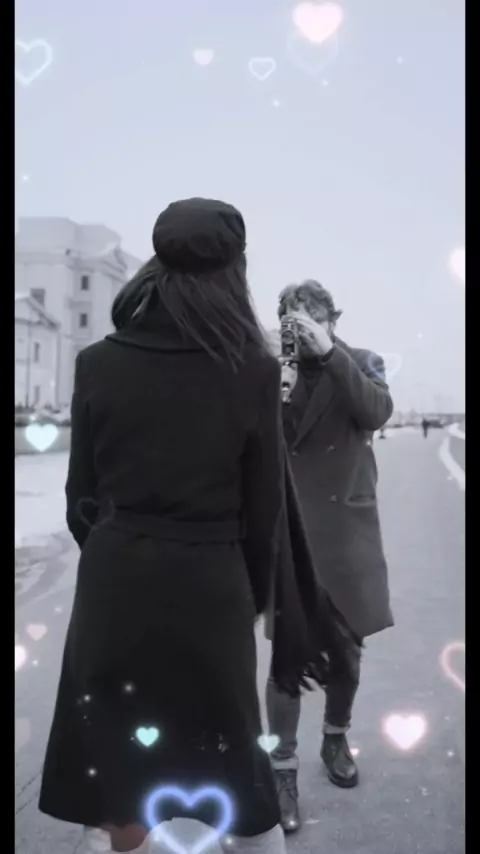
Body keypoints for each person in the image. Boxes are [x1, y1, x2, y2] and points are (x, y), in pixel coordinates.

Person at [38, 201, 343, 854]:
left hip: (114, 586)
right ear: (235, 270)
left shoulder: (97, 363)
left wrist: (124, 549)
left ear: (157, 267)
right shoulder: (253, 370)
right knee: (231, 768)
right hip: (210, 586)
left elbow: (79, 498)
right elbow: (264, 510)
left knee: (121, 770)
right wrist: (247, 595)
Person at [265, 280, 394, 833]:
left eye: (312, 319)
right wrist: (274, 375)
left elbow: (376, 412)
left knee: (346, 652)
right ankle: (282, 768)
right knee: (287, 659)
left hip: (346, 532)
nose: (302, 329)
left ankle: (335, 738)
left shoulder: (360, 361)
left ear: (332, 320)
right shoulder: (272, 370)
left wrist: (330, 354)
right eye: (292, 320)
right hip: (290, 531)